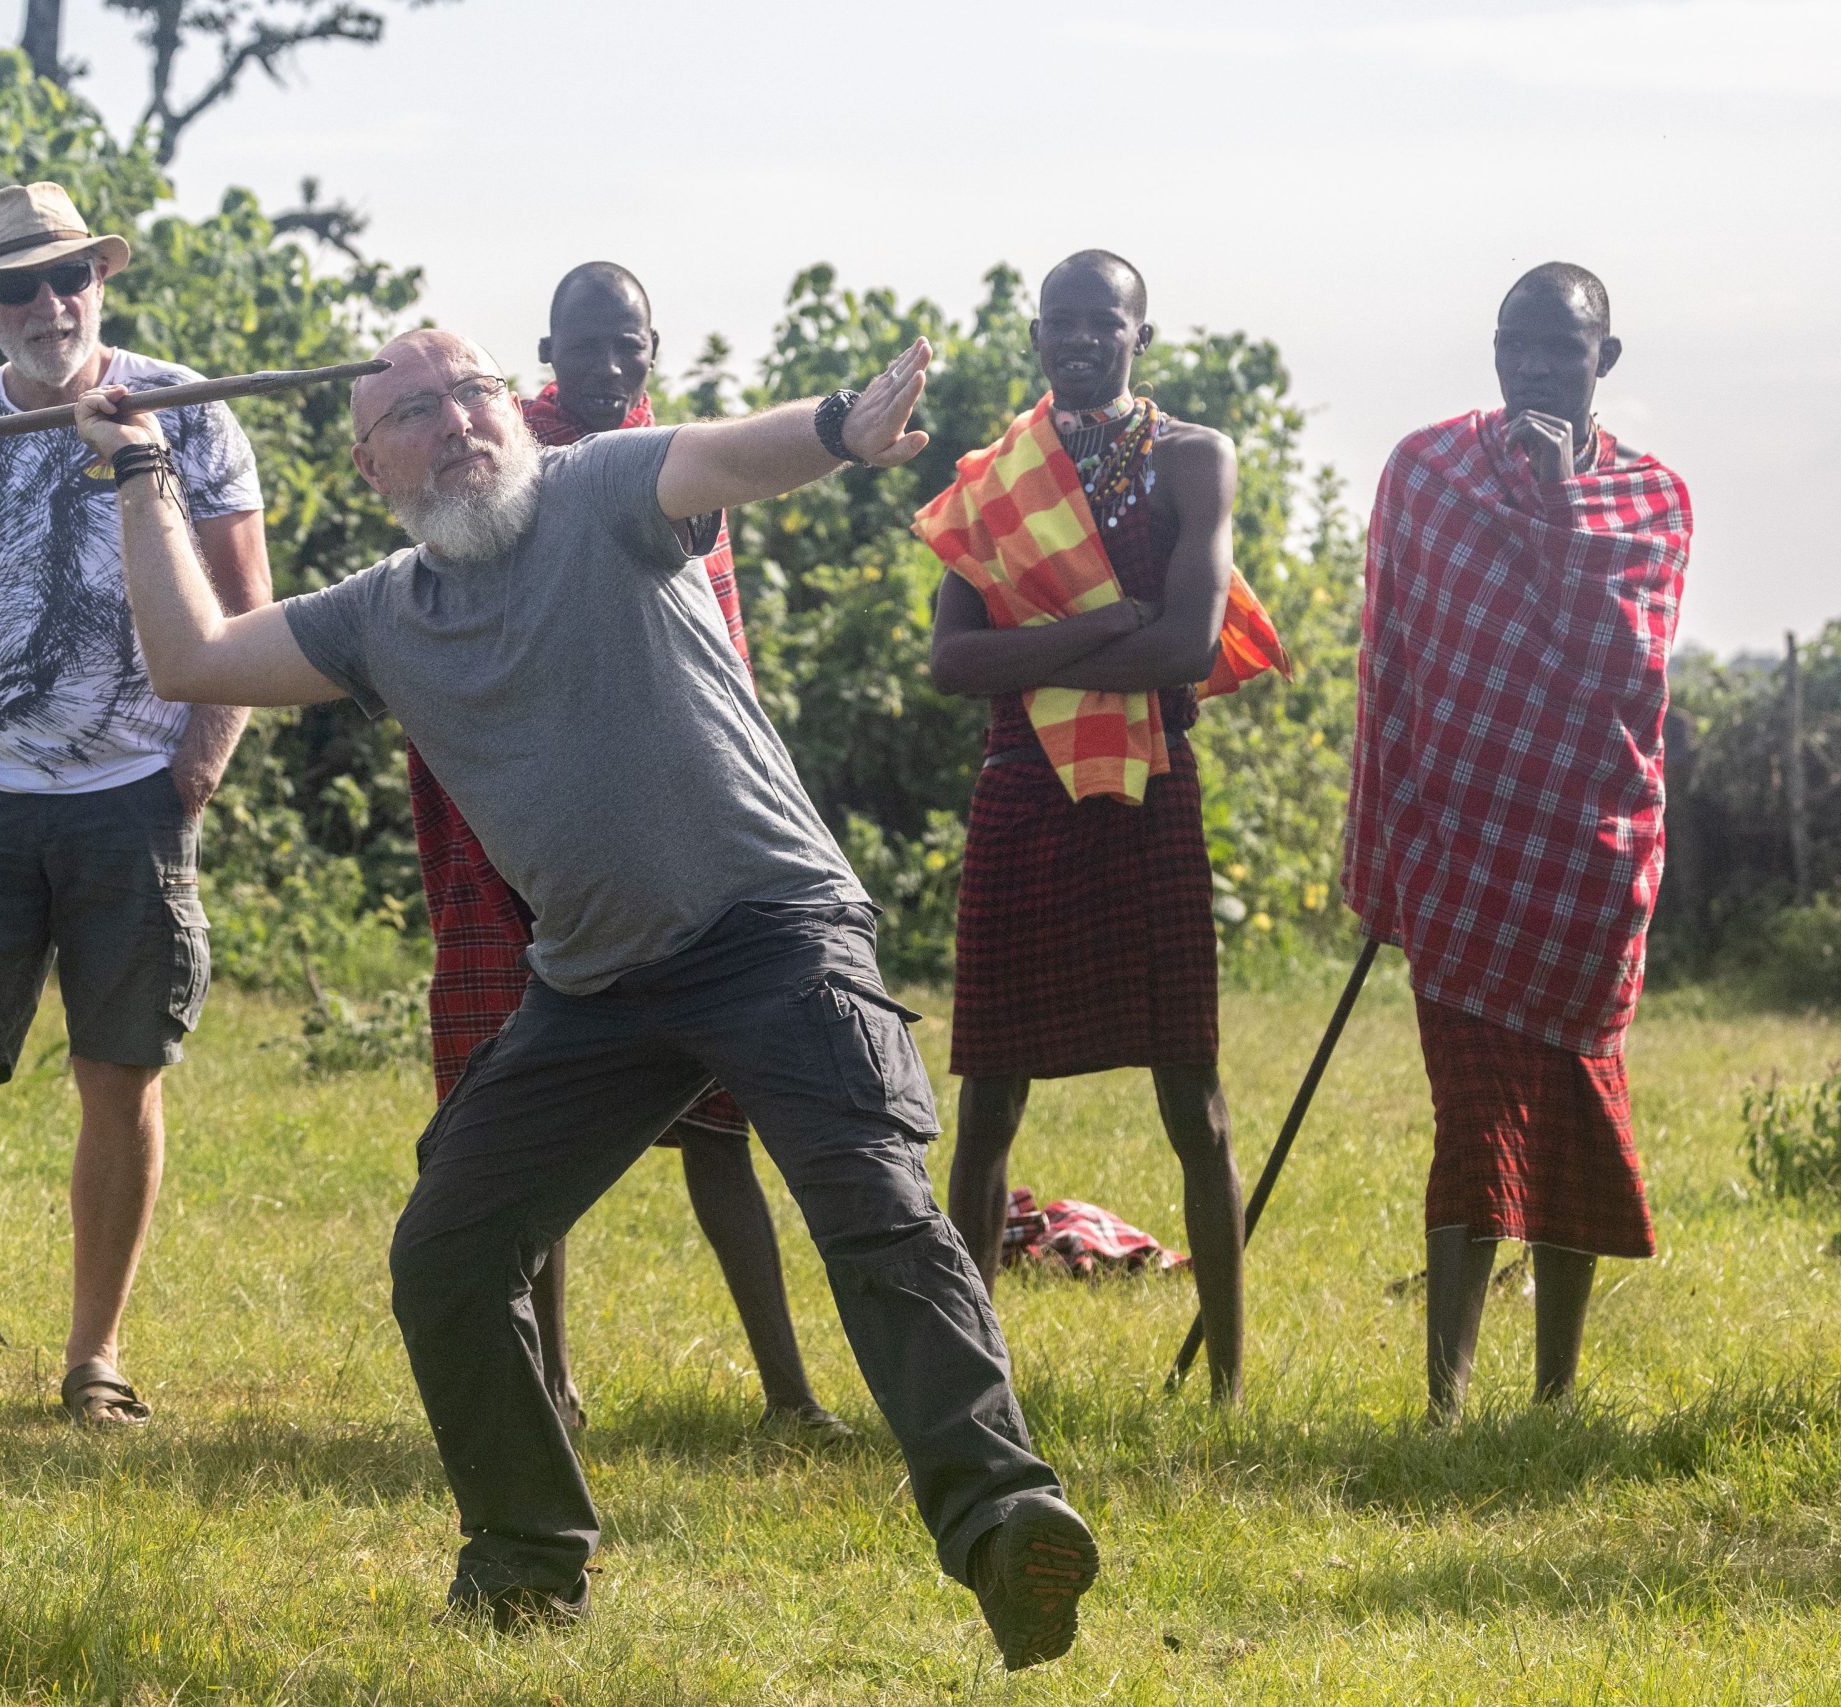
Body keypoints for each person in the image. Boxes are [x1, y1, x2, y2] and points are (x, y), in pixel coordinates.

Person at [73, 326, 1100, 1670]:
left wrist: (843, 424)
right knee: (447, 1255)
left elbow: (736, 450)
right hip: (596, 986)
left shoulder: (603, 487)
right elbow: (194, 657)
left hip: (773, 934)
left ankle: (1011, 1527)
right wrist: (144, 467)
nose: (454, 422)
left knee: (877, 1213)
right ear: (371, 458)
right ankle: (525, 1562)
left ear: (516, 410)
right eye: (415, 411)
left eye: (472, 393)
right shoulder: (382, 614)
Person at [405, 259, 848, 1442]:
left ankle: (789, 1395)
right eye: (582, 348)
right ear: (543, 355)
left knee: (722, 1125)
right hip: (529, 838)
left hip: (679, 843)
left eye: (627, 348)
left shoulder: (678, 458)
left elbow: (717, 659)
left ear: (653, 353)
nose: (604, 370)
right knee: (525, 1125)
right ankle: (547, 1383)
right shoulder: (506, 460)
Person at [0, 182, 270, 1426]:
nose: (49, 304)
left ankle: (94, 1359)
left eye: (69, 278)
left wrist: (194, 769)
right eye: (17, 286)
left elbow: (245, 606)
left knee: (121, 1076)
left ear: (101, 280)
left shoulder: (187, 412)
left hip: (132, 800)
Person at [914, 251, 1288, 1404]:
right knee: (988, 1101)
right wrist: (1113, 618)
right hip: (1021, 789)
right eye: (1060, 324)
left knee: (1193, 1094)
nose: (1080, 340)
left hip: (1149, 785)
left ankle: (1227, 1382)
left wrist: (1058, 645)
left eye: (1102, 324)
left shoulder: (1191, 460)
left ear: (1140, 335)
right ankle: (975, 1383)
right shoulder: (992, 481)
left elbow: (1187, 648)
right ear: (1036, 337)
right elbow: (948, 661)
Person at [1345, 262, 1691, 1424]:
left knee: (1577, 1121)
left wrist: (1554, 508)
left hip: (1587, 858)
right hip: (1459, 848)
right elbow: (1383, 662)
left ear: (1607, 361)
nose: (1536, 368)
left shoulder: (1652, 504)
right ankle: (1444, 1400)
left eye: (1561, 349)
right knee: (1471, 1122)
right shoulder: (1427, 473)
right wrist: (1378, 848)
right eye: (1515, 345)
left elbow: (1624, 671)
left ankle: (1552, 1396)